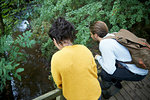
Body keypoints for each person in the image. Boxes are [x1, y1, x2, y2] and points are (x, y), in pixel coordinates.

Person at [89, 21, 148, 98]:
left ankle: (111, 88)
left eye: (91, 34)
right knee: (110, 70)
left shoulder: (104, 44)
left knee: (105, 73)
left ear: (96, 35)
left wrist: (98, 58)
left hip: (138, 73)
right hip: (141, 66)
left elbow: (110, 70)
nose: (91, 36)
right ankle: (116, 82)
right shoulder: (114, 34)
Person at [48, 17, 101, 100]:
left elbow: (59, 83)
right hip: (95, 93)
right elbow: (94, 70)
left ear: (55, 40)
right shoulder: (84, 48)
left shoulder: (56, 58)